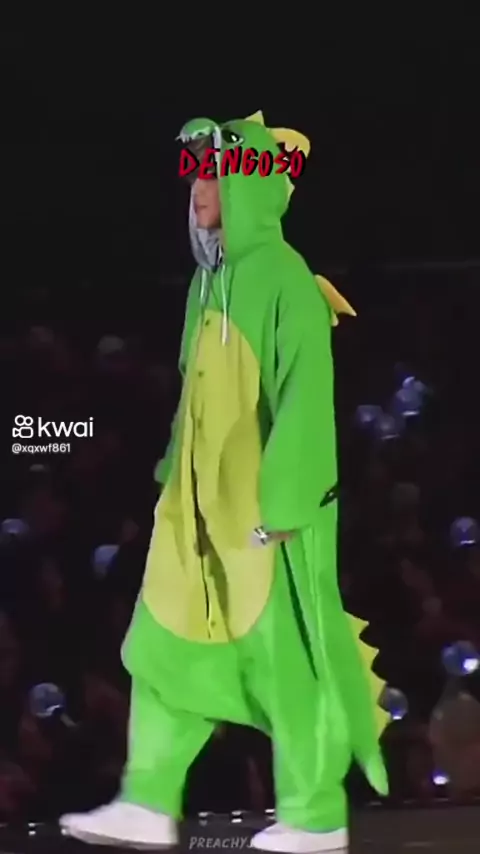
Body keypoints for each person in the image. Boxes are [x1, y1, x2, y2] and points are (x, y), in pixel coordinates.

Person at [60, 111, 389, 852]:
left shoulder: (285, 279)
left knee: (285, 665)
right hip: (196, 512)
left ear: (250, 189)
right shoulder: (207, 282)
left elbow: (306, 399)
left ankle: (315, 816)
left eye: (216, 176)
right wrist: (170, 481)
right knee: (161, 644)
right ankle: (147, 799)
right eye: (197, 178)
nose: (200, 189)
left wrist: (284, 505)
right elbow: (193, 394)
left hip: (262, 516)